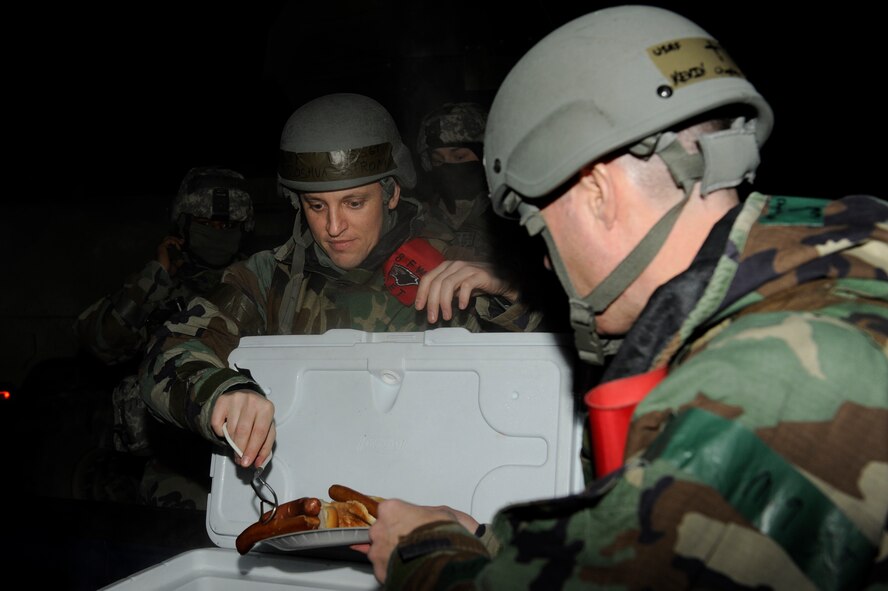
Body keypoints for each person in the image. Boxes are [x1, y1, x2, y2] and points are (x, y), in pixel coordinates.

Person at [361, 6, 888, 589]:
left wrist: (426, 558)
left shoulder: (783, 366)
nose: (543, 259)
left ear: (597, 193)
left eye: (538, 229)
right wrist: (488, 544)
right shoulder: (821, 273)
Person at [139, 92, 543, 473]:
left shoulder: (455, 262)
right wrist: (222, 391)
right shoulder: (268, 279)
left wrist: (511, 292)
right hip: (314, 495)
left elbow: (553, 375)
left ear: (391, 193)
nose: (334, 227)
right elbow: (169, 349)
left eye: (354, 203)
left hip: (442, 488)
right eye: (317, 206)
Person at [73, 166, 255, 508]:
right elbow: (99, 342)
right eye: (208, 225)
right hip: (170, 455)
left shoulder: (255, 281)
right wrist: (153, 279)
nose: (218, 234)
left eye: (228, 226)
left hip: (242, 444)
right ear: (184, 225)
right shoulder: (158, 283)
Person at [415, 100, 568, 330]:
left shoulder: (515, 223)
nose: (448, 168)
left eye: (459, 158)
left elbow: (553, 311)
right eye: (438, 161)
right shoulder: (415, 221)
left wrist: (506, 286)